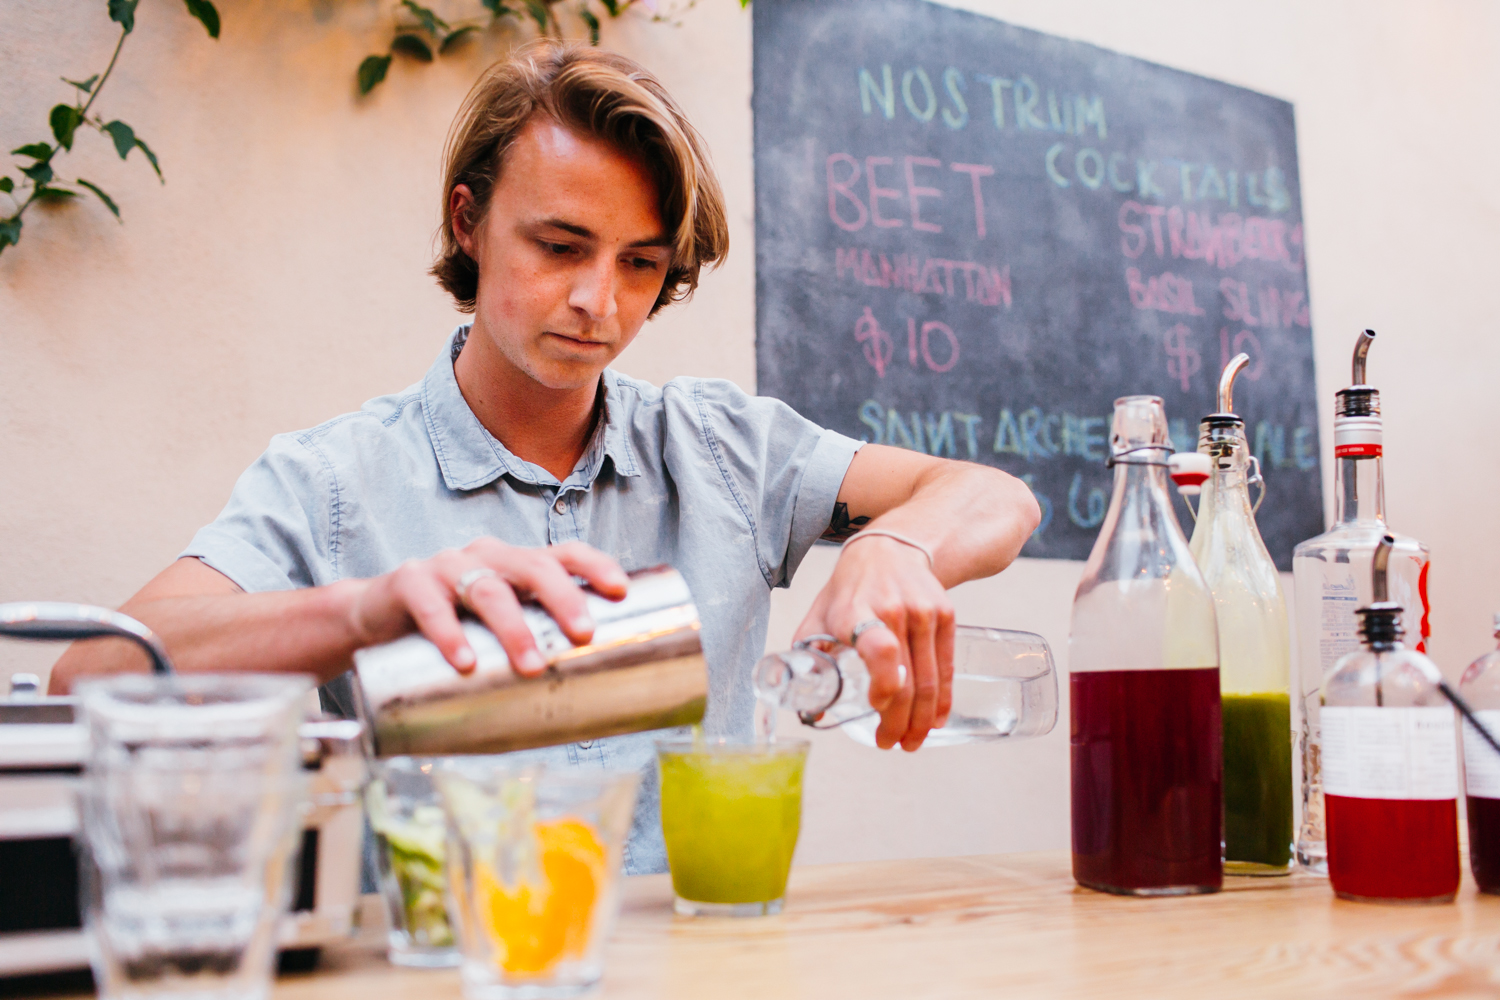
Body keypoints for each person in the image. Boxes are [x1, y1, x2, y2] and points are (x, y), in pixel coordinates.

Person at [49, 40, 1039, 872]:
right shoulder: (337, 480)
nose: (600, 301)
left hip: (699, 959)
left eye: (640, 264)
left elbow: (994, 498)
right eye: (561, 246)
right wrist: (366, 608)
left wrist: (898, 545)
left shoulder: (726, 449)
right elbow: (92, 671)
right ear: (468, 221)